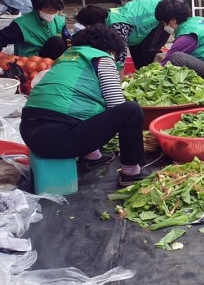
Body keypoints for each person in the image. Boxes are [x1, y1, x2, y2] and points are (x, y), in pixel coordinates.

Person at [20, 24, 149, 187]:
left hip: (29, 133)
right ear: (111, 49)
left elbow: (78, 101)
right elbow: (116, 105)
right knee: (131, 110)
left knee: (83, 104)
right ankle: (131, 172)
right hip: (57, 140)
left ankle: (92, 157)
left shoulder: (66, 58)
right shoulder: (101, 59)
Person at [73, 0, 169, 72]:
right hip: (142, 15)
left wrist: (119, 80)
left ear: (95, 22)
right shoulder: (108, 16)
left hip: (160, 14)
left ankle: (161, 73)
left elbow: (121, 54)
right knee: (138, 58)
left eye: (88, 26)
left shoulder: (117, 26)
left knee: (147, 52)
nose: (89, 30)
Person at [0, 0, 70, 62]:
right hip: (32, 61)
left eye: (54, 11)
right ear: (38, 8)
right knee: (56, 41)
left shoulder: (59, 21)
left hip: (55, 57)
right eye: (48, 10)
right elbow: (0, 39)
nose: (51, 14)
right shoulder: (21, 25)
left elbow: (67, 40)